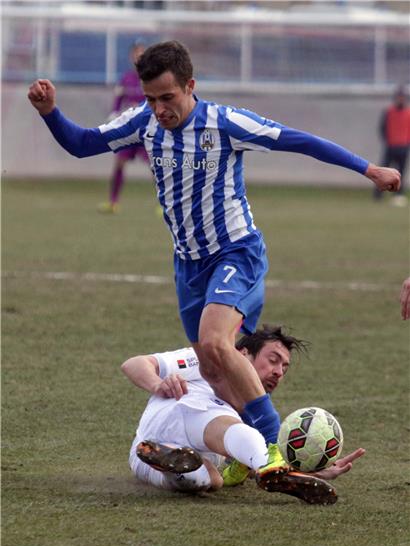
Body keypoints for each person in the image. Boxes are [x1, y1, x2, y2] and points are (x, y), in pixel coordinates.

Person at [27, 40, 399, 473]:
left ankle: (274, 449)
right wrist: (50, 111)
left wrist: (367, 169)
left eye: (168, 98)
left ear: (190, 86)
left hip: (235, 252)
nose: (159, 108)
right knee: (215, 371)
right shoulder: (144, 123)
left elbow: (297, 140)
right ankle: (252, 457)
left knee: (217, 342)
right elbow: (81, 143)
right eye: (151, 99)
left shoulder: (224, 123)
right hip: (188, 266)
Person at [122, 324, 365, 504]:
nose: (278, 371)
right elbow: (134, 363)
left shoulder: (260, 413)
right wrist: (157, 384)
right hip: (176, 411)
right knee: (233, 428)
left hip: (154, 454)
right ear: (242, 354)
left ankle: (172, 463)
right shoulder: (208, 361)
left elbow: (250, 468)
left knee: (209, 480)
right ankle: (268, 468)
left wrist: (313, 472)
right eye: (273, 360)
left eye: (284, 367)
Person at [98, 43, 149, 214]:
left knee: (157, 166)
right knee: (119, 162)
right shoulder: (126, 78)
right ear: (131, 56)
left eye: (142, 54)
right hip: (130, 128)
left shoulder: (152, 77)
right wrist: (114, 113)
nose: (138, 57)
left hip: (148, 129)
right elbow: (119, 98)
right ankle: (113, 202)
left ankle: (166, 204)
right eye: (136, 53)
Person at [374, 85, 410, 206]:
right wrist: (388, 140)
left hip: (404, 147)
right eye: (399, 97)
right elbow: (382, 128)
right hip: (390, 146)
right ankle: (377, 195)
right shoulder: (389, 111)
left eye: (402, 97)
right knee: (382, 171)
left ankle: (398, 195)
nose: (401, 99)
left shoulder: (408, 113)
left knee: (401, 173)